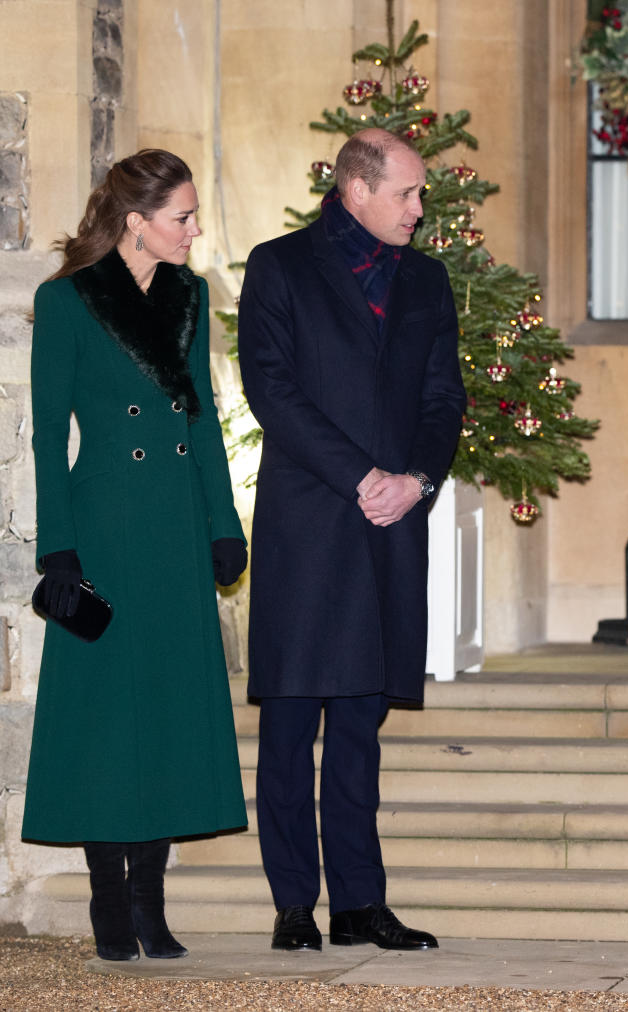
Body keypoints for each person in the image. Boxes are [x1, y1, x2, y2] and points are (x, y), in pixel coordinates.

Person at [237, 127, 465, 953]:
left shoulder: (428, 280)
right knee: (292, 724)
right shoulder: (279, 266)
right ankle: (295, 904)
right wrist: (360, 475)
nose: (419, 207)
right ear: (357, 191)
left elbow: (445, 400)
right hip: (310, 525)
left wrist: (414, 481)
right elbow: (273, 389)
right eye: (407, 193)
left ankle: (361, 904)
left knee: (361, 727)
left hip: (391, 527)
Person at [24, 149, 248, 961]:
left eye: (192, 215)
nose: (193, 229)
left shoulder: (190, 297)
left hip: (177, 529)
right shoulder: (68, 301)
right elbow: (50, 435)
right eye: (182, 216)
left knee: (167, 708)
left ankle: (152, 904)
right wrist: (59, 548)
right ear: (137, 222)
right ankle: (108, 901)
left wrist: (224, 523)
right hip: (107, 527)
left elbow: (203, 420)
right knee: (105, 715)